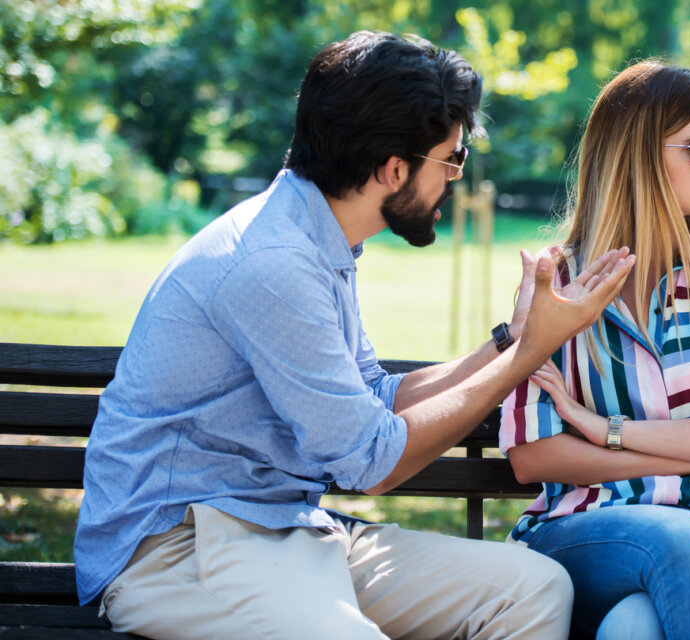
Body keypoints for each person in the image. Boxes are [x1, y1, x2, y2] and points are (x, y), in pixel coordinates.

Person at [74, 31, 636, 640]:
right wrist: (531, 352)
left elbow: (373, 393)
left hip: (287, 529)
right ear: (394, 169)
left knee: (532, 589)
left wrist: (510, 339)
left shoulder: (320, 238)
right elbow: (372, 462)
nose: (454, 178)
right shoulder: (274, 263)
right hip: (178, 549)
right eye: (452, 159)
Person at [498, 61, 690, 640]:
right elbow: (535, 457)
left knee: (635, 626)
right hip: (587, 535)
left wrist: (601, 429)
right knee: (677, 540)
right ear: (639, 157)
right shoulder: (558, 286)